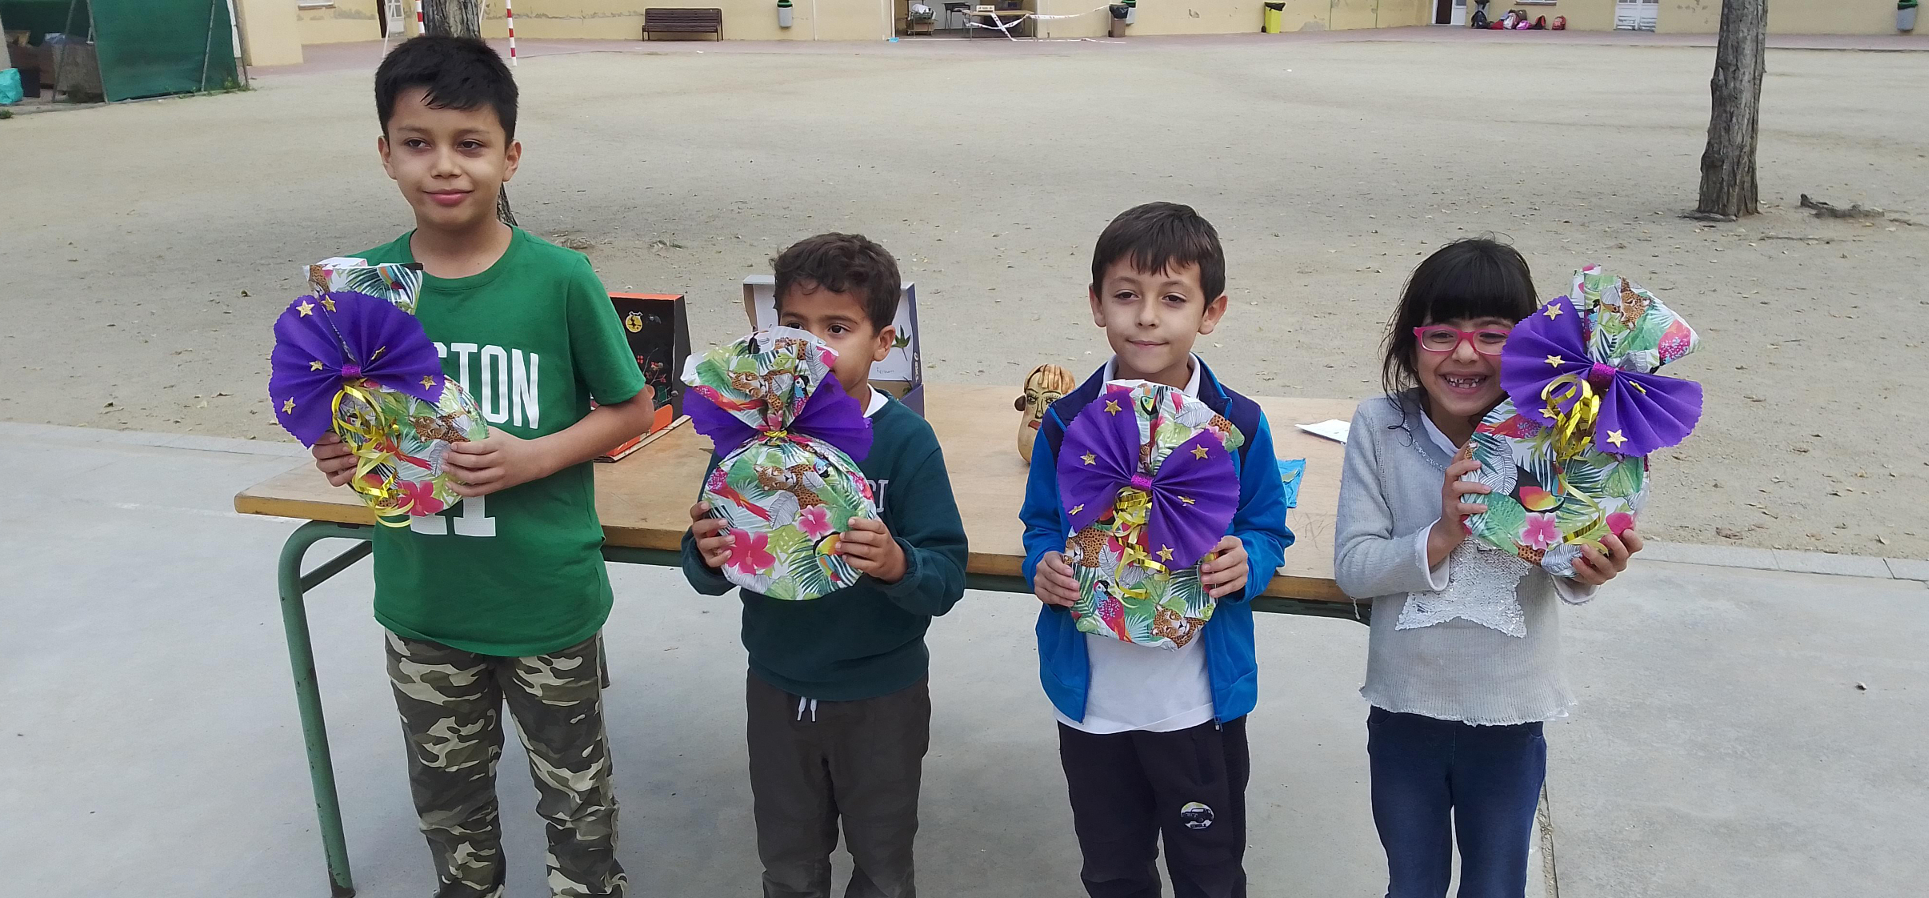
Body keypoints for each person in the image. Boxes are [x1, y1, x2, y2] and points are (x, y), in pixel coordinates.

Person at [308, 35, 653, 898]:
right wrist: (338, 450)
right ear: (385, 153)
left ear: (511, 155)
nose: (444, 166)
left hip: (544, 599)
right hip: (425, 602)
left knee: (577, 801)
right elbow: (345, 417)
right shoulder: (364, 287)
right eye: (417, 143)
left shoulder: (560, 279)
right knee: (448, 805)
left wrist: (533, 456)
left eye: (470, 143)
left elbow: (632, 408)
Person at [1332, 239, 1643, 898]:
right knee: (1411, 884)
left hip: (1509, 716)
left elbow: (1568, 559)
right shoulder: (1381, 427)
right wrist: (1444, 532)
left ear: (1533, 350)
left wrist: (1590, 568)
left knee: (1497, 885)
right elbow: (1355, 569)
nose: (1466, 354)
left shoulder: (1563, 433)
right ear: (1411, 343)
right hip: (1405, 710)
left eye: (1493, 335)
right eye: (1441, 333)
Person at [1020, 202, 1294, 898]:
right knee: (1113, 870)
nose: (1146, 317)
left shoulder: (1238, 424)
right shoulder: (1066, 422)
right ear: (1096, 303)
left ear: (1211, 311)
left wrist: (1249, 560)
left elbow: (1268, 526)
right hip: (1094, 704)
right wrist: (1042, 566)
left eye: (1173, 298)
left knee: (1209, 871)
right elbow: (1041, 524)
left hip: (1194, 703)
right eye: (1126, 295)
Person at [682, 233, 969, 898]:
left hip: (881, 697)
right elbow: (705, 556)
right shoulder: (750, 439)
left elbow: (946, 575)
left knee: (883, 864)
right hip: (777, 688)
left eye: (837, 328)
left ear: (883, 342)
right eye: (794, 327)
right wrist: (707, 554)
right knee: (788, 862)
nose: (811, 348)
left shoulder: (906, 441)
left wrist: (898, 564)